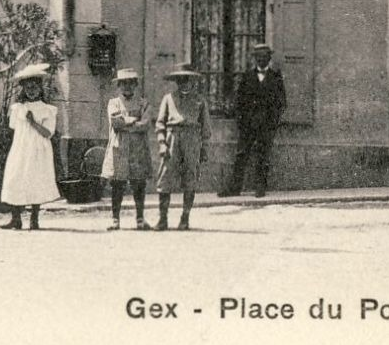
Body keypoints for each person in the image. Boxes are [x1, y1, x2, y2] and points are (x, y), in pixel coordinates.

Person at [222, 41, 287, 197]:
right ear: (255, 59)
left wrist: (272, 122)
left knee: (263, 156)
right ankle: (235, 188)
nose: (261, 59)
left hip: (266, 125)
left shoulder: (275, 78)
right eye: (258, 57)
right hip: (248, 125)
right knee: (241, 155)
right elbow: (239, 101)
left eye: (264, 56)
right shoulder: (247, 77)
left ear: (269, 59)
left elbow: (282, 103)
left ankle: (260, 188)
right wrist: (242, 121)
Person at [0, 64, 59, 231]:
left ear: (40, 88)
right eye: (28, 87)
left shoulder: (47, 109)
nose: (31, 90)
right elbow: (14, 128)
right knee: (15, 177)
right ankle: (16, 218)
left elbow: (48, 133)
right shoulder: (18, 108)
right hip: (21, 147)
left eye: (35, 87)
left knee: (35, 179)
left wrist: (33, 122)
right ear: (23, 89)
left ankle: (34, 218)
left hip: (38, 149)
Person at [155, 64, 210, 231]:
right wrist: (162, 143)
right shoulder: (168, 98)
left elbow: (205, 127)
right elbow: (160, 123)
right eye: (180, 80)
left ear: (192, 81)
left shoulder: (200, 100)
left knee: (190, 177)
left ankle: (185, 218)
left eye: (186, 80)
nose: (183, 83)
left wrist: (203, 148)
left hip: (192, 139)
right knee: (165, 177)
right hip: (172, 137)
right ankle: (163, 219)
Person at [102, 68, 152, 230]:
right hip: (120, 148)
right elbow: (116, 123)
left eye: (131, 83)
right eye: (123, 83)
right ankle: (115, 219)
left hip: (138, 148)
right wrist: (133, 121)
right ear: (118, 86)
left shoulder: (143, 103)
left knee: (139, 183)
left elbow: (145, 125)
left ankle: (140, 219)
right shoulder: (113, 103)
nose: (127, 87)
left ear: (136, 84)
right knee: (117, 184)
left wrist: (126, 123)